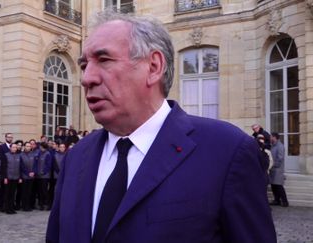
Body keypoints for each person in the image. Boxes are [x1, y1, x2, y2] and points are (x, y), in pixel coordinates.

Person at [46, 11, 276, 242]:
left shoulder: (227, 151)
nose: (86, 78)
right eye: (84, 65)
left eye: (104, 60)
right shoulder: (76, 158)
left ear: (154, 67)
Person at [1, 143, 22, 214]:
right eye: (13, 147)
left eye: (15, 147)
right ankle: (7, 209)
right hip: (8, 178)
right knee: (7, 194)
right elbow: (3, 167)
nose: (14, 149)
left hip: (15, 177)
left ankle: (12, 208)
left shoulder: (19, 156)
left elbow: (20, 167)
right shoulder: (6, 155)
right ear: (10, 148)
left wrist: (19, 177)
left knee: (13, 194)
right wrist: (5, 177)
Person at [269, 132, 289, 207]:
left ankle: (285, 201)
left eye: (271, 137)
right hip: (272, 169)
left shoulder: (280, 146)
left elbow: (280, 158)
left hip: (277, 170)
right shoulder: (273, 146)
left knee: (279, 186)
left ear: (274, 137)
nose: (270, 138)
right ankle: (276, 200)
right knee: (273, 186)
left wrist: (273, 165)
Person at [0, 133, 13, 212]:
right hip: (4, 171)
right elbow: (2, 161)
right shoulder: (1, 147)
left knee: (9, 191)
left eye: (11, 137)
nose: (10, 138)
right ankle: (1, 205)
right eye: (9, 137)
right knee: (3, 190)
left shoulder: (13, 146)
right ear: (5, 138)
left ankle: (8, 205)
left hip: (12, 172)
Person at [20, 142, 36, 211]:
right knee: (24, 192)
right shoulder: (21, 155)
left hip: (31, 176)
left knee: (30, 192)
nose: (28, 147)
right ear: (24, 147)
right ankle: (24, 206)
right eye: (27, 146)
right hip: (24, 176)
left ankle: (29, 205)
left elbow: (35, 164)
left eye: (29, 146)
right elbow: (21, 166)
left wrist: (33, 172)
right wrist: (27, 173)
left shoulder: (33, 154)